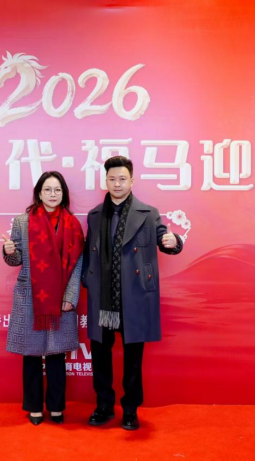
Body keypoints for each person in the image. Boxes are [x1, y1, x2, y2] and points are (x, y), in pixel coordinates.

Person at [82, 156, 183, 430]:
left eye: (122, 179)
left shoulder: (148, 213)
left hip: (134, 295)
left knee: (133, 359)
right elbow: (88, 252)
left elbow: (165, 240)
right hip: (103, 298)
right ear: (105, 181)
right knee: (100, 356)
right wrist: (87, 280)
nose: (117, 184)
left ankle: (130, 410)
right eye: (112, 179)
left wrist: (174, 241)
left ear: (132, 181)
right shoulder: (95, 215)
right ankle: (104, 406)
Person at [2, 171, 85, 425]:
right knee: (32, 354)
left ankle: (57, 407)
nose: (52, 194)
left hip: (61, 297)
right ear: (39, 193)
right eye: (47, 189)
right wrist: (9, 251)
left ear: (64, 194)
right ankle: (35, 407)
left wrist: (71, 295)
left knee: (57, 354)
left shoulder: (72, 224)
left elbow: (78, 262)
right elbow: (15, 259)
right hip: (30, 296)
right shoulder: (22, 222)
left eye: (57, 190)